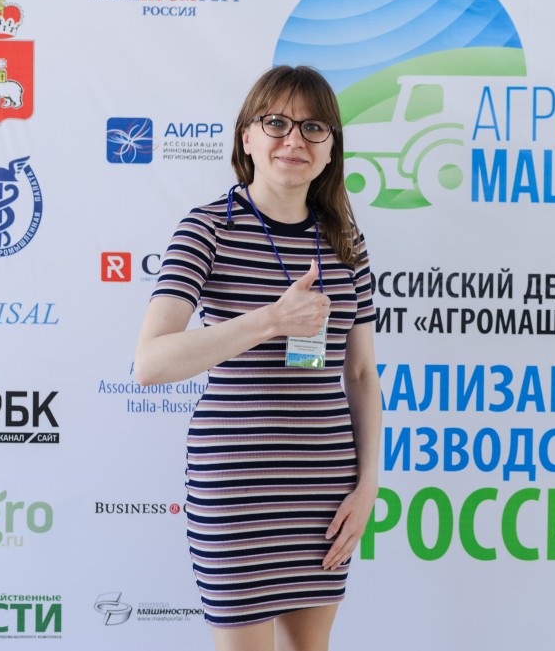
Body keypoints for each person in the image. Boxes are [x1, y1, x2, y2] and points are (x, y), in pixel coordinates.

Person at [134, 65, 381, 651]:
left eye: (313, 127)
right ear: (247, 137)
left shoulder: (345, 240)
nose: (294, 139)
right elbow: (150, 363)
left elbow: (361, 373)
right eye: (276, 123)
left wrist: (368, 485)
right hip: (237, 484)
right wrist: (272, 320)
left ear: (331, 149)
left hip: (325, 485)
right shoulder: (207, 228)